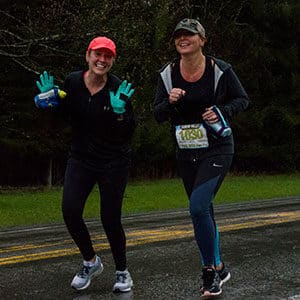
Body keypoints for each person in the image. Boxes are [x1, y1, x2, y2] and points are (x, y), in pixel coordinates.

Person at [154, 18, 249, 299]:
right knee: (203, 210)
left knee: (197, 207)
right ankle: (220, 266)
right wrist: (169, 101)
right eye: (179, 36)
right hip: (187, 151)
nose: (183, 39)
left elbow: (242, 99)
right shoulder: (167, 74)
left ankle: (209, 272)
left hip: (218, 147)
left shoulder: (219, 69)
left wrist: (221, 110)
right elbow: (158, 114)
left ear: (202, 40)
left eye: (189, 35)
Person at [34, 36, 135, 293]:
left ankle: (122, 272)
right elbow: (64, 117)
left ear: (113, 61)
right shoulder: (72, 82)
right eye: (97, 55)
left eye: (108, 56)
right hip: (81, 158)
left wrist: (120, 113)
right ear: (88, 56)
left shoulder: (117, 88)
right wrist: (50, 104)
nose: (102, 60)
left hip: (113, 161)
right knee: (70, 210)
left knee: (110, 218)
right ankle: (90, 261)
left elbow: (128, 132)